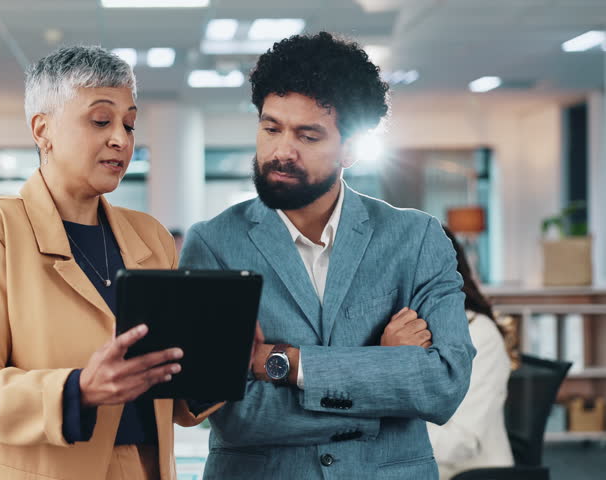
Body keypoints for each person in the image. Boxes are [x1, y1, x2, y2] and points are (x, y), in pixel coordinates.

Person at [179, 32, 476, 479]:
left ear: (352, 148)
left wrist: (283, 363)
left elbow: (442, 385)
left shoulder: (416, 238)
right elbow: (236, 416)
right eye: (271, 127)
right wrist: (383, 373)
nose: (281, 151)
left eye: (308, 135)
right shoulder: (213, 244)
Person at [0, 45, 223, 480]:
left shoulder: (151, 236)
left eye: (129, 123)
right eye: (101, 120)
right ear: (42, 129)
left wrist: (221, 360)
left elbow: (172, 396)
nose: (121, 139)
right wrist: (77, 391)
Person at [428, 227, 514, 479]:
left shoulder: (479, 335)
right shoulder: (394, 328)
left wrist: (382, 424)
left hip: (466, 471)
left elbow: (462, 443)